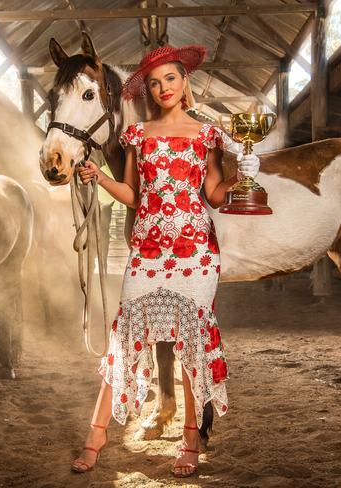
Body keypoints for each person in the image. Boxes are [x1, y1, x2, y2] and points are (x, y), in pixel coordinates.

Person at [72, 44, 260, 478]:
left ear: (184, 80)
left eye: (169, 79)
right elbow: (134, 196)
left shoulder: (208, 134)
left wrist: (241, 173)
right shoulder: (137, 135)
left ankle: (190, 439)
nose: (163, 89)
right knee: (124, 339)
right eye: (154, 84)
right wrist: (100, 177)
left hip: (195, 253)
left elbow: (212, 195)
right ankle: (96, 435)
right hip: (148, 252)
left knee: (192, 345)